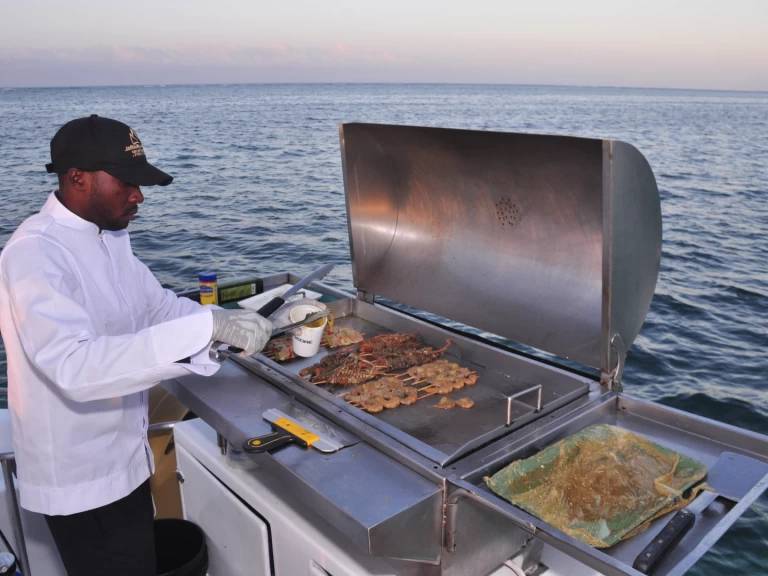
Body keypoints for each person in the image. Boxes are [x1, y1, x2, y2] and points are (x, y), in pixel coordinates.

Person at [0, 115, 273, 575]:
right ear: (77, 178)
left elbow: (157, 309)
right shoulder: (34, 254)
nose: (139, 195)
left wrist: (230, 319)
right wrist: (206, 329)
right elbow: (76, 367)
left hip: (125, 460)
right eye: (126, 182)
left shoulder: (109, 238)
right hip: (83, 482)